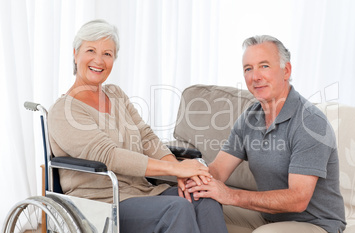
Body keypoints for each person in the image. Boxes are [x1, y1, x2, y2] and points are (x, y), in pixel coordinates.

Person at [48, 19, 228, 233]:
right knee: (176, 208)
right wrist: (176, 167)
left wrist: (181, 173)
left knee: (203, 196)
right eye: (91, 50)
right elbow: (108, 156)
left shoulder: (115, 94)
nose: (99, 60)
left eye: (107, 53)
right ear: (75, 53)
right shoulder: (64, 110)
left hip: (141, 191)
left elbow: (146, 137)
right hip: (101, 202)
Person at [186, 35, 346, 233]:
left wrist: (231, 195)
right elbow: (218, 171)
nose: (255, 77)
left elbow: (298, 200)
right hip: (268, 218)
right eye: (248, 69)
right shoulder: (249, 118)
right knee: (194, 209)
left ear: (286, 70)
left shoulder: (310, 122)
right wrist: (190, 177)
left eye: (264, 66)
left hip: (317, 224)